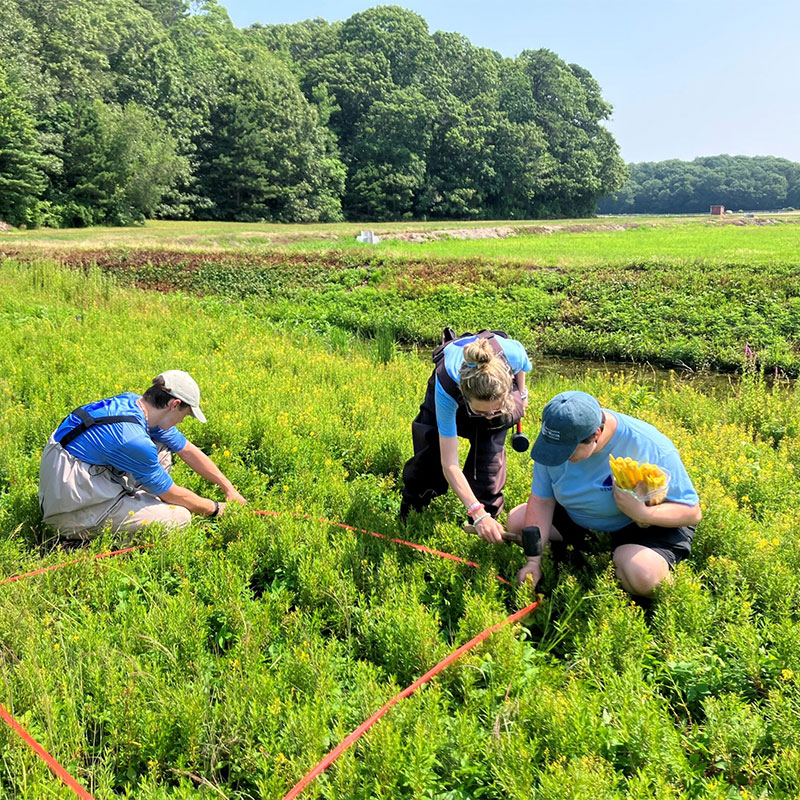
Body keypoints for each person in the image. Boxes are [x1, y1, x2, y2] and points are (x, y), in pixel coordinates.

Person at [505, 390, 701, 597]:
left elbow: (692, 512)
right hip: (581, 520)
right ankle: (591, 547)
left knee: (643, 575)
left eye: (567, 453)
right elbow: (541, 501)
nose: (558, 458)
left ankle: (638, 563)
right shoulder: (558, 437)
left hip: (642, 524)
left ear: (596, 435)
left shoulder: (649, 445)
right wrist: (533, 562)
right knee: (518, 523)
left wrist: (641, 513)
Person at [39, 370, 246, 539]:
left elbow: (187, 450)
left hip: (75, 478)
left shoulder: (134, 404)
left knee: (162, 449)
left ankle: (135, 504)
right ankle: (83, 535)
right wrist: (216, 508)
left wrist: (228, 487)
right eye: (186, 414)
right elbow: (170, 493)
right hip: (70, 510)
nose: (183, 420)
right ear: (174, 404)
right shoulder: (133, 439)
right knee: (180, 518)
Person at [400, 329, 531, 540]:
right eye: (481, 412)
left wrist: (522, 396)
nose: (488, 417)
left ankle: (486, 530)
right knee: (428, 458)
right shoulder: (448, 387)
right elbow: (449, 463)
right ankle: (412, 516)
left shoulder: (511, 355)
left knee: (487, 469)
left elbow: (523, 365)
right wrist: (476, 513)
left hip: (495, 384)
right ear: (463, 394)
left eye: (493, 410)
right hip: (450, 386)